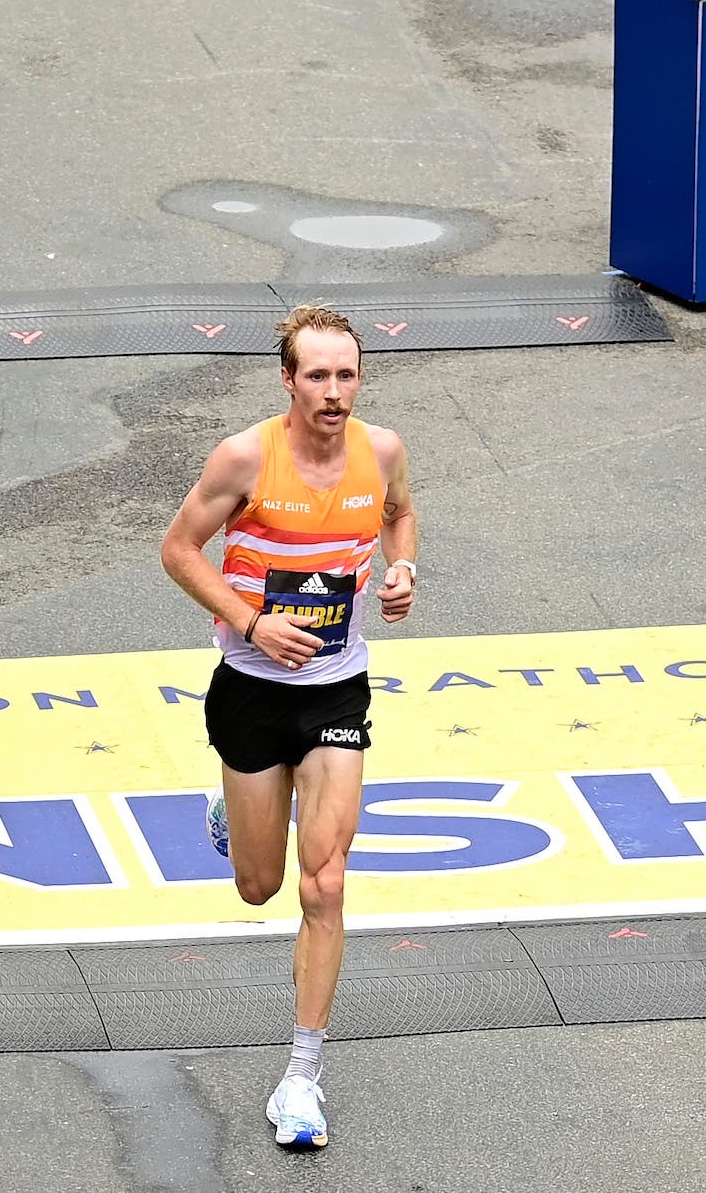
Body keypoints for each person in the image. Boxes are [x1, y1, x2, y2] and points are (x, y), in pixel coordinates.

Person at [159, 304, 417, 1150]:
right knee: (260, 886)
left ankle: (300, 1079)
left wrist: (404, 567)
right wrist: (251, 620)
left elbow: (399, 514)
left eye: (346, 374)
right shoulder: (244, 457)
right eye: (317, 375)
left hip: (337, 692)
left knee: (326, 884)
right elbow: (180, 549)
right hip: (251, 690)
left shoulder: (380, 451)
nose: (334, 391)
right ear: (288, 379)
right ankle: (233, 815)